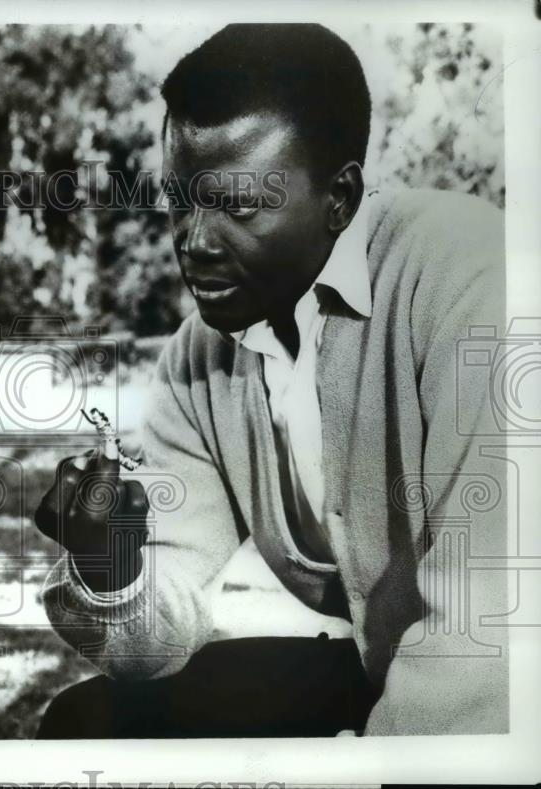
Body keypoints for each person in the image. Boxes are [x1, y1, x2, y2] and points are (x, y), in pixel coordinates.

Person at [35, 23, 507, 737]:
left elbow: (488, 629)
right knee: (87, 722)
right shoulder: (199, 359)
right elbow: (152, 641)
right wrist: (112, 569)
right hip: (386, 676)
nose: (193, 240)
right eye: (182, 199)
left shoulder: (468, 278)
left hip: (503, 701)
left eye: (238, 205)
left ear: (340, 198)